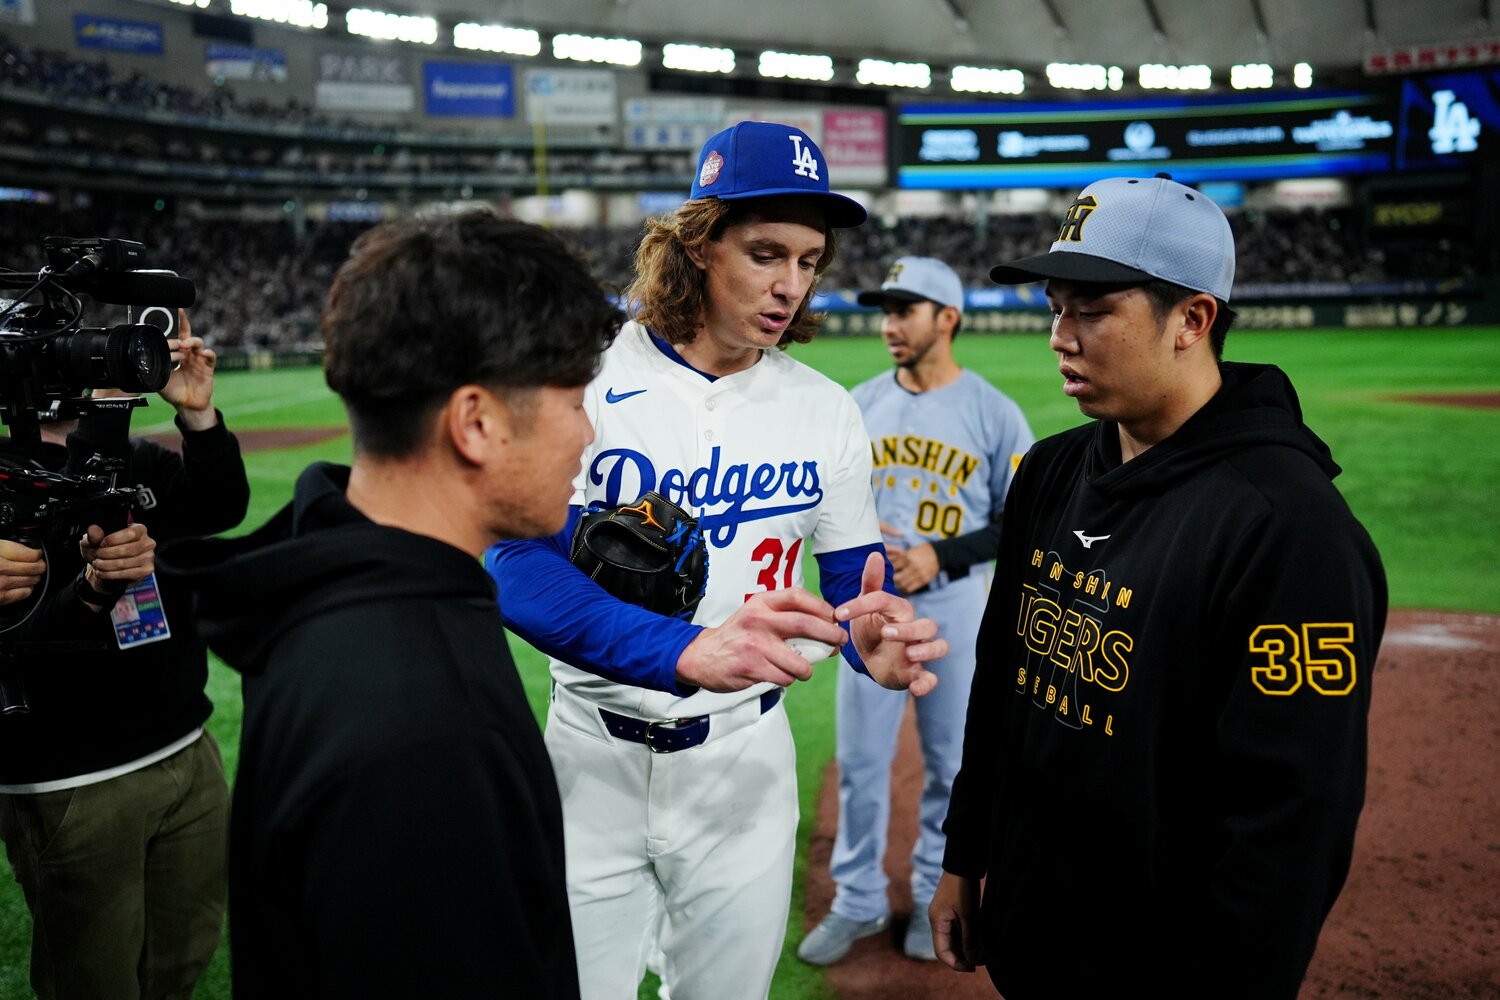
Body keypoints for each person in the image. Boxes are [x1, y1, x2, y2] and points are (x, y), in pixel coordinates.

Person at [488, 120, 949, 1000]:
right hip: (589, 759)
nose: (791, 286)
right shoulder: (580, 375)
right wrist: (679, 652)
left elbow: (856, 591)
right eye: (767, 253)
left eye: (810, 261)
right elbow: (515, 562)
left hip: (744, 763)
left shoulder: (825, 411)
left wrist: (869, 645)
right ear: (699, 245)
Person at [930, 173, 1387, 998]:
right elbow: (1003, 681)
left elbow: (1291, 823)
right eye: (1055, 307)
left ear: (1193, 319)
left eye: (1093, 311)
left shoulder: (1287, 529)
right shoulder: (1055, 469)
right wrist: (965, 857)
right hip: (1031, 936)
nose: (1059, 337)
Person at [158, 212, 620, 999]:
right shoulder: (421, 720)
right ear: (475, 422)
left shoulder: (336, 581)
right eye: (576, 398)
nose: (590, 432)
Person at [0, 310, 249, 1000]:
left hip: (180, 744)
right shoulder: (17, 475)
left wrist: (198, 417)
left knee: (179, 961)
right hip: (71, 775)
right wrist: (107, 409)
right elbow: (77, 505)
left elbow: (221, 506)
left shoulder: (132, 459)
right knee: (94, 981)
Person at [798, 257, 1033, 966]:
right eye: (885, 310)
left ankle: (935, 886)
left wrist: (944, 554)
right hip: (867, 617)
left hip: (957, 608)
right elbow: (816, 511)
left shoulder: (993, 412)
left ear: (948, 319)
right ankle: (857, 900)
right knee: (861, 765)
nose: (889, 324)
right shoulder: (856, 403)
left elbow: (1019, 524)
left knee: (951, 762)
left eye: (906, 310)